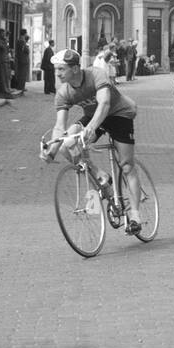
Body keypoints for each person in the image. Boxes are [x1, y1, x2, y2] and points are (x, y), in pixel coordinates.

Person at [42, 47, 143, 233]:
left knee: (127, 165)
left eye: (61, 69)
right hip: (94, 117)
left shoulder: (96, 74)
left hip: (119, 113)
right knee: (67, 145)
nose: (57, 74)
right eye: (56, 70)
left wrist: (91, 128)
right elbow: (59, 126)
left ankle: (135, 215)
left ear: (74, 68)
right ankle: (100, 175)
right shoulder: (63, 92)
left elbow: (104, 103)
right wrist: (52, 149)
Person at [0, 29, 11, 97]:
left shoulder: (3, 41)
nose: (4, 35)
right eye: (3, 34)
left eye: (4, 34)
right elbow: (2, 47)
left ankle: (4, 89)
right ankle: (4, 89)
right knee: (2, 76)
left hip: (4, 60)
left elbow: (7, 49)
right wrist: (6, 40)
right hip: (0, 60)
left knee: (5, 76)